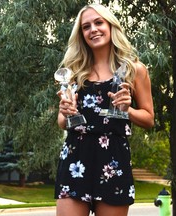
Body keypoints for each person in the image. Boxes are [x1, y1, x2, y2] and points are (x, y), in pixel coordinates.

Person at [55, 3, 154, 216]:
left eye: (99, 22)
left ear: (111, 27)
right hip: (75, 157)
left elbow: (149, 119)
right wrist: (65, 111)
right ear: (81, 34)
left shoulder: (134, 70)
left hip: (113, 159)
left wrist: (127, 110)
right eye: (86, 26)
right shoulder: (74, 71)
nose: (93, 29)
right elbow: (62, 123)